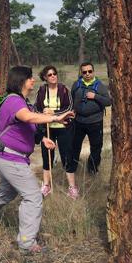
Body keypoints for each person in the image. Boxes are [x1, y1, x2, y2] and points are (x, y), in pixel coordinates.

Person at [0, 66, 74, 254]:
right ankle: (27, 243)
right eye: (30, 78)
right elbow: (27, 117)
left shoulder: (21, 101)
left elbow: (23, 126)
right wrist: (55, 117)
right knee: (33, 196)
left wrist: (41, 139)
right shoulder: (14, 101)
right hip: (9, 157)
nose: (33, 81)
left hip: (7, 156)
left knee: (7, 191)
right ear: (22, 81)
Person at [34, 66, 78, 199]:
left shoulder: (64, 89)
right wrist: (44, 114)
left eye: (55, 73)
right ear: (45, 78)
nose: (53, 76)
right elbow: (36, 108)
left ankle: (72, 187)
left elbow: (70, 108)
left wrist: (55, 114)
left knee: (67, 156)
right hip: (47, 128)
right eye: (50, 75)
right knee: (47, 156)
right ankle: (46, 185)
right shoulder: (41, 90)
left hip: (64, 128)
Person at [70, 62, 111, 175]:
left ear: (93, 72)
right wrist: (73, 110)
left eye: (90, 71)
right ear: (81, 73)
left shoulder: (100, 86)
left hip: (95, 122)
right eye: (84, 72)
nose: (87, 74)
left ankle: (92, 169)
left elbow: (108, 102)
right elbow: (71, 99)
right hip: (78, 122)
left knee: (96, 147)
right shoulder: (76, 85)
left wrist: (95, 96)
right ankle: (72, 168)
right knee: (75, 145)